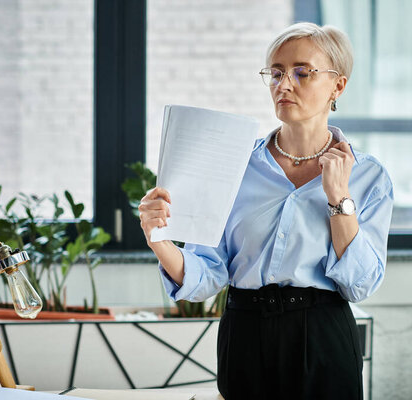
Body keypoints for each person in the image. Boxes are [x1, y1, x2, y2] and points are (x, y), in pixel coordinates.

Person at [139, 22, 393, 400]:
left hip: (323, 335)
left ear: (338, 86)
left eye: (301, 72)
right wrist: (159, 239)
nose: (284, 84)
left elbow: (360, 284)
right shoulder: (235, 166)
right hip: (246, 333)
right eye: (275, 73)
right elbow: (207, 273)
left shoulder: (369, 176)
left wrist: (339, 198)